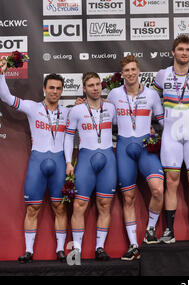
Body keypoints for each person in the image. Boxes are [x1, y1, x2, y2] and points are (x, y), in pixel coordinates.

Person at [0, 69, 69, 263]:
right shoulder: (32, 107)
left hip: (58, 163)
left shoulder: (68, 112)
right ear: (44, 89)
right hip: (37, 162)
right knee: (32, 209)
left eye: (58, 88)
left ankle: (60, 250)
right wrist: (1, 74)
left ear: (62, 91)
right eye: (52, 88)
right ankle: (29, 251)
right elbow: (6, 97)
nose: (55, 91)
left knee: (60, 207)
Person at [106, 55, 164, 260]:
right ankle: (133, 245)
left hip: (145, 147)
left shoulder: (151, 95)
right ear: (122, 74)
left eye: (133, 69)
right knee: (128, 198)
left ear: (139, 71)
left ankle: (150, 229)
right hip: (123, 148)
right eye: (127, 71)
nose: (130, 73)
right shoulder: (114, 94)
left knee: (158, 189)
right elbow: (102, 113)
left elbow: (162, 121)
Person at [153, 35, 189, 243]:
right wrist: (162, 120)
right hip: (170, 135)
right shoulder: (162, 75)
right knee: (171, 182)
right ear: (173, 53)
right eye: (181, 49)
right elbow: (153, 99)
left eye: (187, 50)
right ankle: (169, 231)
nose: (184, 53)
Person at [64, 72, 117, 261]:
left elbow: (124, 126)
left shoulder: (111, 108)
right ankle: (76, 249)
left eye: (97, 84)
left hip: (108, 161)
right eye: (91, 85)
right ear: (84, 89)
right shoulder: (76, 110)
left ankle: (100, 247)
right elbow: (69, 137)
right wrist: (69, 162)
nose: (95, 88)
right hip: (86, 160)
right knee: (79, 205)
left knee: (105, 205)